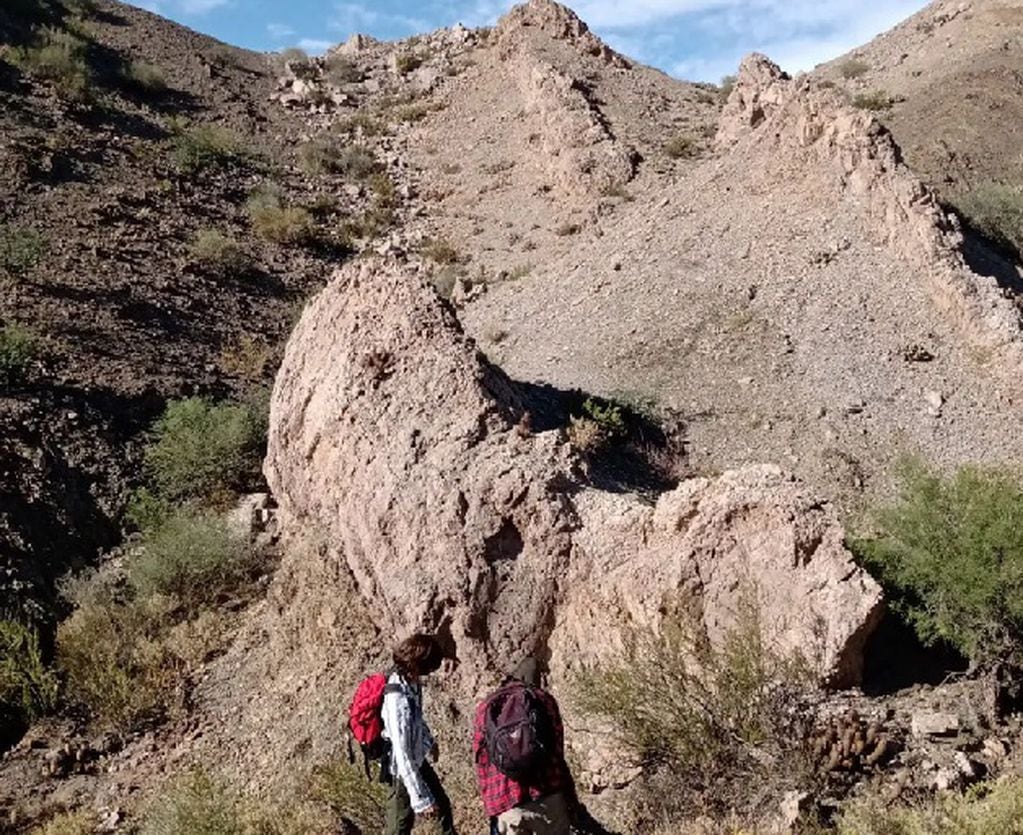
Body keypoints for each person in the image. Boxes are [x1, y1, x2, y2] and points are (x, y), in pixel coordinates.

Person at [473, 658, 574, 835]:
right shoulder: (544, 699)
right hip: (548, 797)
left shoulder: (486, 707)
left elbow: (481, 760)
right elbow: (557, 751)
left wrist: (492, 807)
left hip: (508, 804)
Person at [381, 633, 457, 835]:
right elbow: (401, 751)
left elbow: (416, 718)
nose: (428, 674)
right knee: (399, 826)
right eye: (428, 669)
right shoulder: (396, 697)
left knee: (442, 808)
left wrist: (428, 740)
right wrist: (420, 800)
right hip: (401, 770)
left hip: (417, 759)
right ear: (417, 664)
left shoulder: (410, 683)